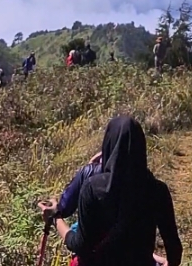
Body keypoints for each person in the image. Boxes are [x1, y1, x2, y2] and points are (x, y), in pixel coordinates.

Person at [45, 114, 182, 266]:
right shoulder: (158, 190)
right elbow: (174, 250)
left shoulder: (92, 189)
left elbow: (80, 245)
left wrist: (55, 218)